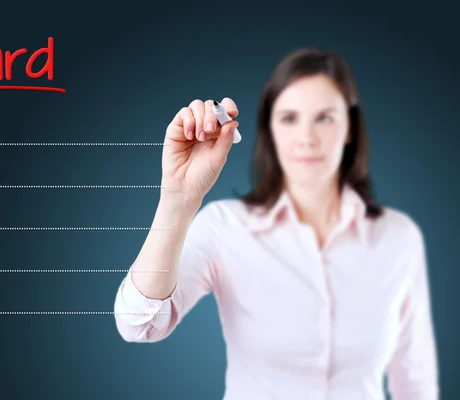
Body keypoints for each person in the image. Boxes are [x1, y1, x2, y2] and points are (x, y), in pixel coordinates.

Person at [113, 48, 439, 399]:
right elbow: (138, 324)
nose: (307, 137)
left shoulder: (398, 237)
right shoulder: (225, 227)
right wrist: (178, 200)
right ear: (270, 129)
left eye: (325, 117)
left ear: (350, 128)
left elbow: (414, 381)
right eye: (289, 118)